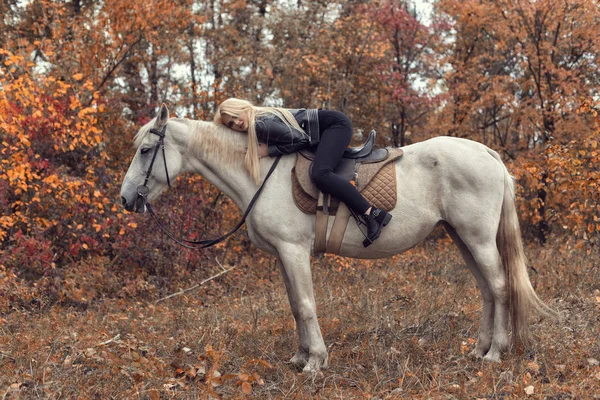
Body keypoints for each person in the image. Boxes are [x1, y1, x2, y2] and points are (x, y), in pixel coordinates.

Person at [214, 98, 392, 247]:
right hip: (329, 126)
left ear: (243, 108)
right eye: (231, 124)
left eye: (236, 116)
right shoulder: (260, 120)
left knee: (320, 174)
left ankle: (372, 214)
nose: (237, 123)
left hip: (335, 125)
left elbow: (300, 139)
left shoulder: (260, 124)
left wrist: (270, 151)